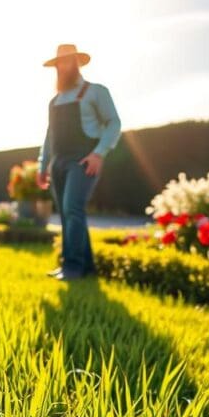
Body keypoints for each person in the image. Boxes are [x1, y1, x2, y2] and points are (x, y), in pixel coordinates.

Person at [37, 44, 121, 281]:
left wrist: (99, 153)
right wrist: (43, 166)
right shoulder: (54, 101)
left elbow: (113, 123)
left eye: (67, 62)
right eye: (59, 63)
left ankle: (72, 267)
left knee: (73, 208)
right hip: (59, 162)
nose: (63, 67)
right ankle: (86, 268)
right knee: (66, 213)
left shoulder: (95, 92)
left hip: (83, 160)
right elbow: (49, 135)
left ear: (77, 63)